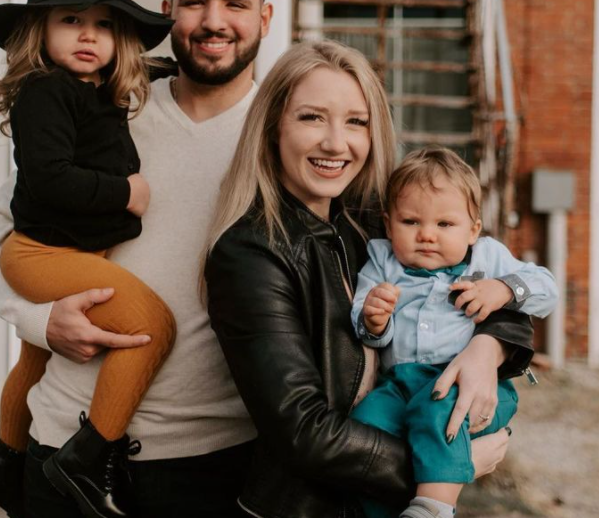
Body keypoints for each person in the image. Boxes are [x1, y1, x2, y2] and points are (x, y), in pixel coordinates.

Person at [0, 0, 272, 518]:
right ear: (165, 13)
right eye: (193, 2)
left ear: (264, 15)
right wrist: (36, 318)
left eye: (234, 3)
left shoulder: (285, 131)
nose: (214, 21)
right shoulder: (112, 103)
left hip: (209, 457)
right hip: (59, 442)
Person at [202, 40, 536, 518]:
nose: (336, 143)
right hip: (308, 507)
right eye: (312, 117)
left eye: (355, 121)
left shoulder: (374, 227)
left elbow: (495, 287)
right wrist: (450, 465)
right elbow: (303, 431)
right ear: (274, 125)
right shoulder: (250, 254)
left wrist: (487, 350)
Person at [0, 0, 175, 518]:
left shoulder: (90, 91)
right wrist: (125, 192)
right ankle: (86, 455)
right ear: (40, 30)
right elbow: (52, 178)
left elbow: (117, 103)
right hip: (41, 252)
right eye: (71, 21)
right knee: (152, 327)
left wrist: (171, 69)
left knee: (35, 360)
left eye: (104, 25)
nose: (89, 36)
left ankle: (4, 463)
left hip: (60, 250)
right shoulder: (45, 91)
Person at [349, 146, 558, 518]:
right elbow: (363, 316)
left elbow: (547, 288)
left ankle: (434, 508)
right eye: (411, 222)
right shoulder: (382, 259)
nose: (427, 235)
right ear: (387, 222)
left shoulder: (487, 257)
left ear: (473, 229)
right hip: (399, 383)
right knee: (367, 425)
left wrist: (505, 288)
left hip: (466, 385)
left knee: (438, 412)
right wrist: (374, 320)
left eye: (445, 225)